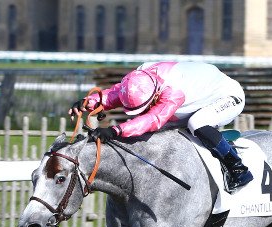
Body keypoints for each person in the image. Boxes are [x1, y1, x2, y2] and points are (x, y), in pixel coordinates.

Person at [69, 61, 253, 193]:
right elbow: (115, 94)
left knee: (196, 123)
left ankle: (238, 169)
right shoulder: (138, 78)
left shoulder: (173, 92)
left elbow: (152, 119)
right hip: (198, 94)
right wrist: (88, 102)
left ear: (156, 95)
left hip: (228, 96)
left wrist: (115, 130)